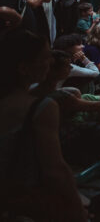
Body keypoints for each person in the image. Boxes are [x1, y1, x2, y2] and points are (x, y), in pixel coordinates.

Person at [0, 30, 86, 220]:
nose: (51, 62)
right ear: (23, 68)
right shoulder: (42, 107)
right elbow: (55, 169)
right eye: (45, 58)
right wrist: (76, 208)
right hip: (24, 200)